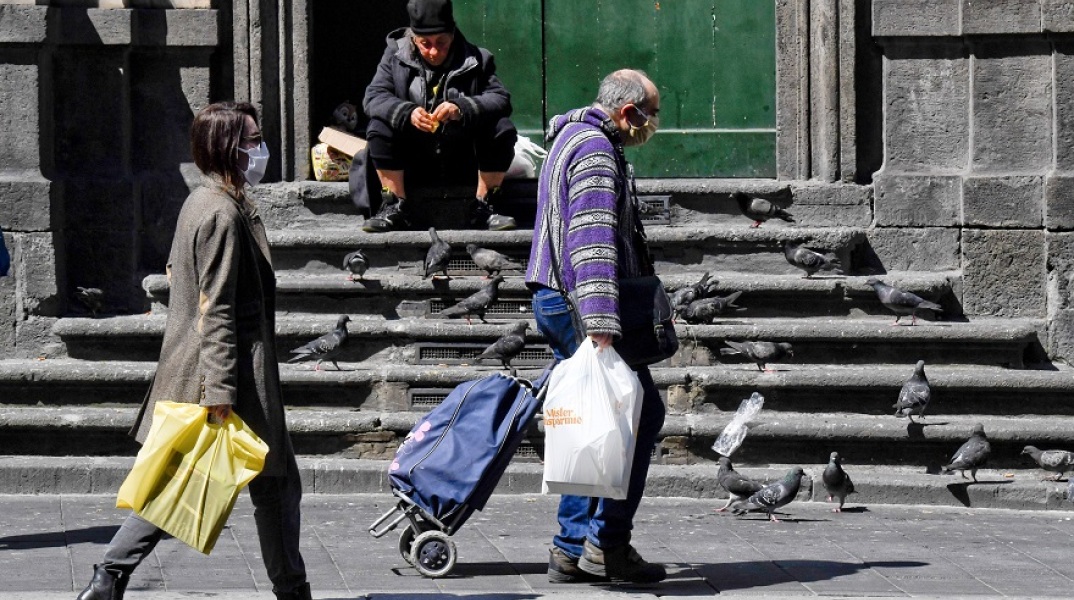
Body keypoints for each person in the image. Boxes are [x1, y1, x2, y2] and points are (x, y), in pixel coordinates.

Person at [76, 102, 311, 600]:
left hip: (219, 369)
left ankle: (111, 576)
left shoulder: (204, 202)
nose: (259, 148)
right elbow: (216, 307)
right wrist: (220, 389)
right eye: (251, 140)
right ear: (228, 147)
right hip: (230, 374)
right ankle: (111, 575)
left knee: (255, 484)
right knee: (209, 485)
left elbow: (177, 274)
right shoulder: (222, 214)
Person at [526, 69, 666, 584]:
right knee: (638, 414)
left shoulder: (571, 136)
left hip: (560, 298)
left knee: (595, 417)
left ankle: (571, 547)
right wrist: (602, 325)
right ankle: (604, 544)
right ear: (627, 112)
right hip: (579, 304)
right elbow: (591, 241)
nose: (653, 125)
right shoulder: (595, 152)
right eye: (651, 115)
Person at [359, 0, 518, 233]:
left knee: (501, 127)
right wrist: (407, 112)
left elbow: (500, 98)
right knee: (378, 127)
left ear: (452, 35)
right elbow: (373, 97)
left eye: (441, 42)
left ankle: (485, 205)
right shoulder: (395, 56)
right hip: (413, 158)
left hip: (461, 156)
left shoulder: (476, 58)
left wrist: (462, 108)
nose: (434, 51)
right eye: (426, 44)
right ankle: (394, 205)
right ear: (413, 39)